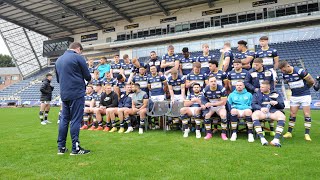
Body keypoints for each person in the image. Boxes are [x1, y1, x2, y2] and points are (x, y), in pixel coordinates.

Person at [55, 42, 91, 155]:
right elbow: (88, 76)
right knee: (75, 119)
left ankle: (61, 147)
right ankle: (75, 148)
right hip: (76, 93)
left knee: (64, 119)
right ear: (78, 49)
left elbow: (57, 79)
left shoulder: (58, 60)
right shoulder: (78, 57)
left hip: (64, 93)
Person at [279, 60, 315, 141]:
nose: (282, 71)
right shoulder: (284, 74)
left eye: (283, 69)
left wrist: (305, 89)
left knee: (306, 114)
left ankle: (307, 134)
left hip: (305, 95)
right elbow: (289, 84)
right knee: (292, 114)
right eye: (281, 70)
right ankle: (289, 133)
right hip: (294, 96)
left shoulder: (300, 71)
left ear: (288, 66)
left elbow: (311, 81)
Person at [251, 81, 286, 147]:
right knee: (254, 115)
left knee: (282, 116)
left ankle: (276, 139)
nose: (260, 88)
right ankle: (262, 138)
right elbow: (253, 104)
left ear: (268, 88)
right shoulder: (256, 94)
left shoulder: (276, 94)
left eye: (263, 87)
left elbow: (282, 105)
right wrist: (261, 108)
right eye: (260, 87)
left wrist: (277, 103)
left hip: (273, 111)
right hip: (262, 112)